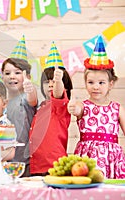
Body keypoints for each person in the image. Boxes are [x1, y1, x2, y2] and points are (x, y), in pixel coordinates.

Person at [67, 36, 125, 178]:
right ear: (85, 83)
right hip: (87, 159)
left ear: (110, 84)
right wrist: (73, 107)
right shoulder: (84, 106)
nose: (96, 87)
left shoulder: (117, 108)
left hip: (113, 159)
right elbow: (77, 109)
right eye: (91, 82)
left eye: (101, 82)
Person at [29, 42, 73, 176]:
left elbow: (57, 94)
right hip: (36, 165)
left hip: (53, 165)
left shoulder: (61, 106)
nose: (51, 84)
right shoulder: (41, 107)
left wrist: (58, 80)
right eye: (47, 81)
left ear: (65, 87)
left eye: (54, 81)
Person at [1, 36, 38, 177]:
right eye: (7, 73)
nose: (12, 76)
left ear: (27, 75)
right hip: (3, 160)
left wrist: (30, 88)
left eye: (17, 73)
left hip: (24, 162)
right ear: (2, 76)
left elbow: (32, 100)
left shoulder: (25, 99)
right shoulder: (2, 102)